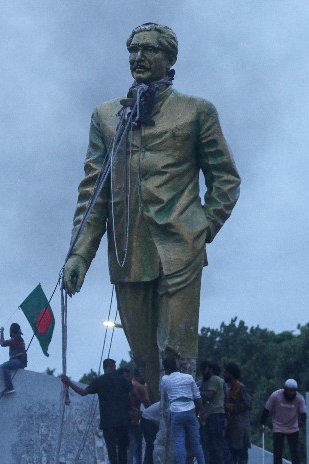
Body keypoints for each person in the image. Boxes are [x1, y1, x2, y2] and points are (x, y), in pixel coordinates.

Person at [62, 23, 241, 402]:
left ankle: (180, 429)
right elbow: (93, 191)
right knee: (146, 359)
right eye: (133, 50)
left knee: (176, 354)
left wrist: (202, 228)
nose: (138, 57)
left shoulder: (197, 111)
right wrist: (79, 253)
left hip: (181, 249)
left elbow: (225, 178)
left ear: (170, 57)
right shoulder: (107, 116)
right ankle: (165, 428)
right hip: (128, 253)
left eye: (149, 50)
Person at [61, 359, 133, 464]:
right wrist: (129, 409)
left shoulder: (99, 381)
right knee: (122, 447)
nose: (115, 368)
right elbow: (131, 394)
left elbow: (83, 392)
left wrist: (69, 382)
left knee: (111, 448)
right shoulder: (122, 380)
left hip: (107, 420)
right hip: (122, 419)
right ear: (109, 366)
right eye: (114, 366)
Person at [160, 357, 208, 464]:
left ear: (165, 368)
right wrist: (202, 411)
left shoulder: (165, 379)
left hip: (176, 412)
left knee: (179, 443)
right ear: (176, 365)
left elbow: (165, 393)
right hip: (191, 411)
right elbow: (197, 397)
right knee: (196, 443)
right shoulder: (189, 377)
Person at [258, 379, 306, 464]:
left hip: (293, 427)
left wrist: (302, 423)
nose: (291, 393)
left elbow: (303, 414)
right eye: (289, 390)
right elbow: (266, 410)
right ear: (285, 389)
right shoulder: (276, 395)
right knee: (278, 451)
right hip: (278, 426)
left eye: (293, 391)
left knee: (295, 452)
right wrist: (262, 423)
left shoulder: (299, 399)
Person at [198, 361, 231, 464]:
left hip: (215, 415)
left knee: (217, 445)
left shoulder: (213, 379)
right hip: (215, 415)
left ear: (210, 369)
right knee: (213, 445)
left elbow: (210, 396)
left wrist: (196, 392)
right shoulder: (220, 381)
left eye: (205, 369)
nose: (204, 372)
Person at [222, 362, 252, 464]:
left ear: (231, 374)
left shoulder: (240, 387)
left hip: (241, 424)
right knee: (231, 449)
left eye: (226, 372)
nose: (224, 374)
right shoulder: (228, 386)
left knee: (242, 449)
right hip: (231, 424)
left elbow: (246, 404)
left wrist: (231, 407)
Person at [123, 368, 151, 464]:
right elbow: (147, 405)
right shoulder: (139, 387)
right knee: (137, 451)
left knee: (125, 449)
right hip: (134, 422)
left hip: (124, 421)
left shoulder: (127, 385)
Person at [0, 323, 27, 395]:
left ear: (12, 332)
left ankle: (10, 387)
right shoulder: (19, 339)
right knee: (6, 365)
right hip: (20, 362)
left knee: (4, 366)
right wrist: (1, 333)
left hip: (18, 361)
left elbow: (3, 343)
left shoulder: (15, 340)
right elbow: (3, 342)